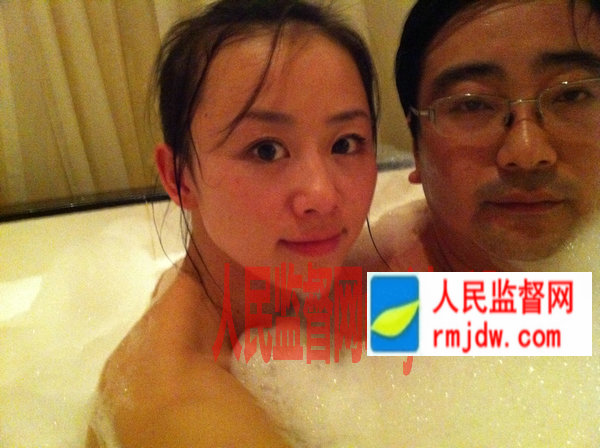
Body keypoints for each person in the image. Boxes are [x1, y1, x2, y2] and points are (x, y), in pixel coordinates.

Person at [86, 1, 378, 446]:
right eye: (266, 150)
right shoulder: (184, 410)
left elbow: (494, 321)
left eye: (345, 143)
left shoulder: (270, 290)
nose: (323, 196)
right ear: (179, 178)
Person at [353, 0, 600, 272]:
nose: (527, 154)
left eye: (572, 95)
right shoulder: (370, 285)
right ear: (416, 148)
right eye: (472, 105)